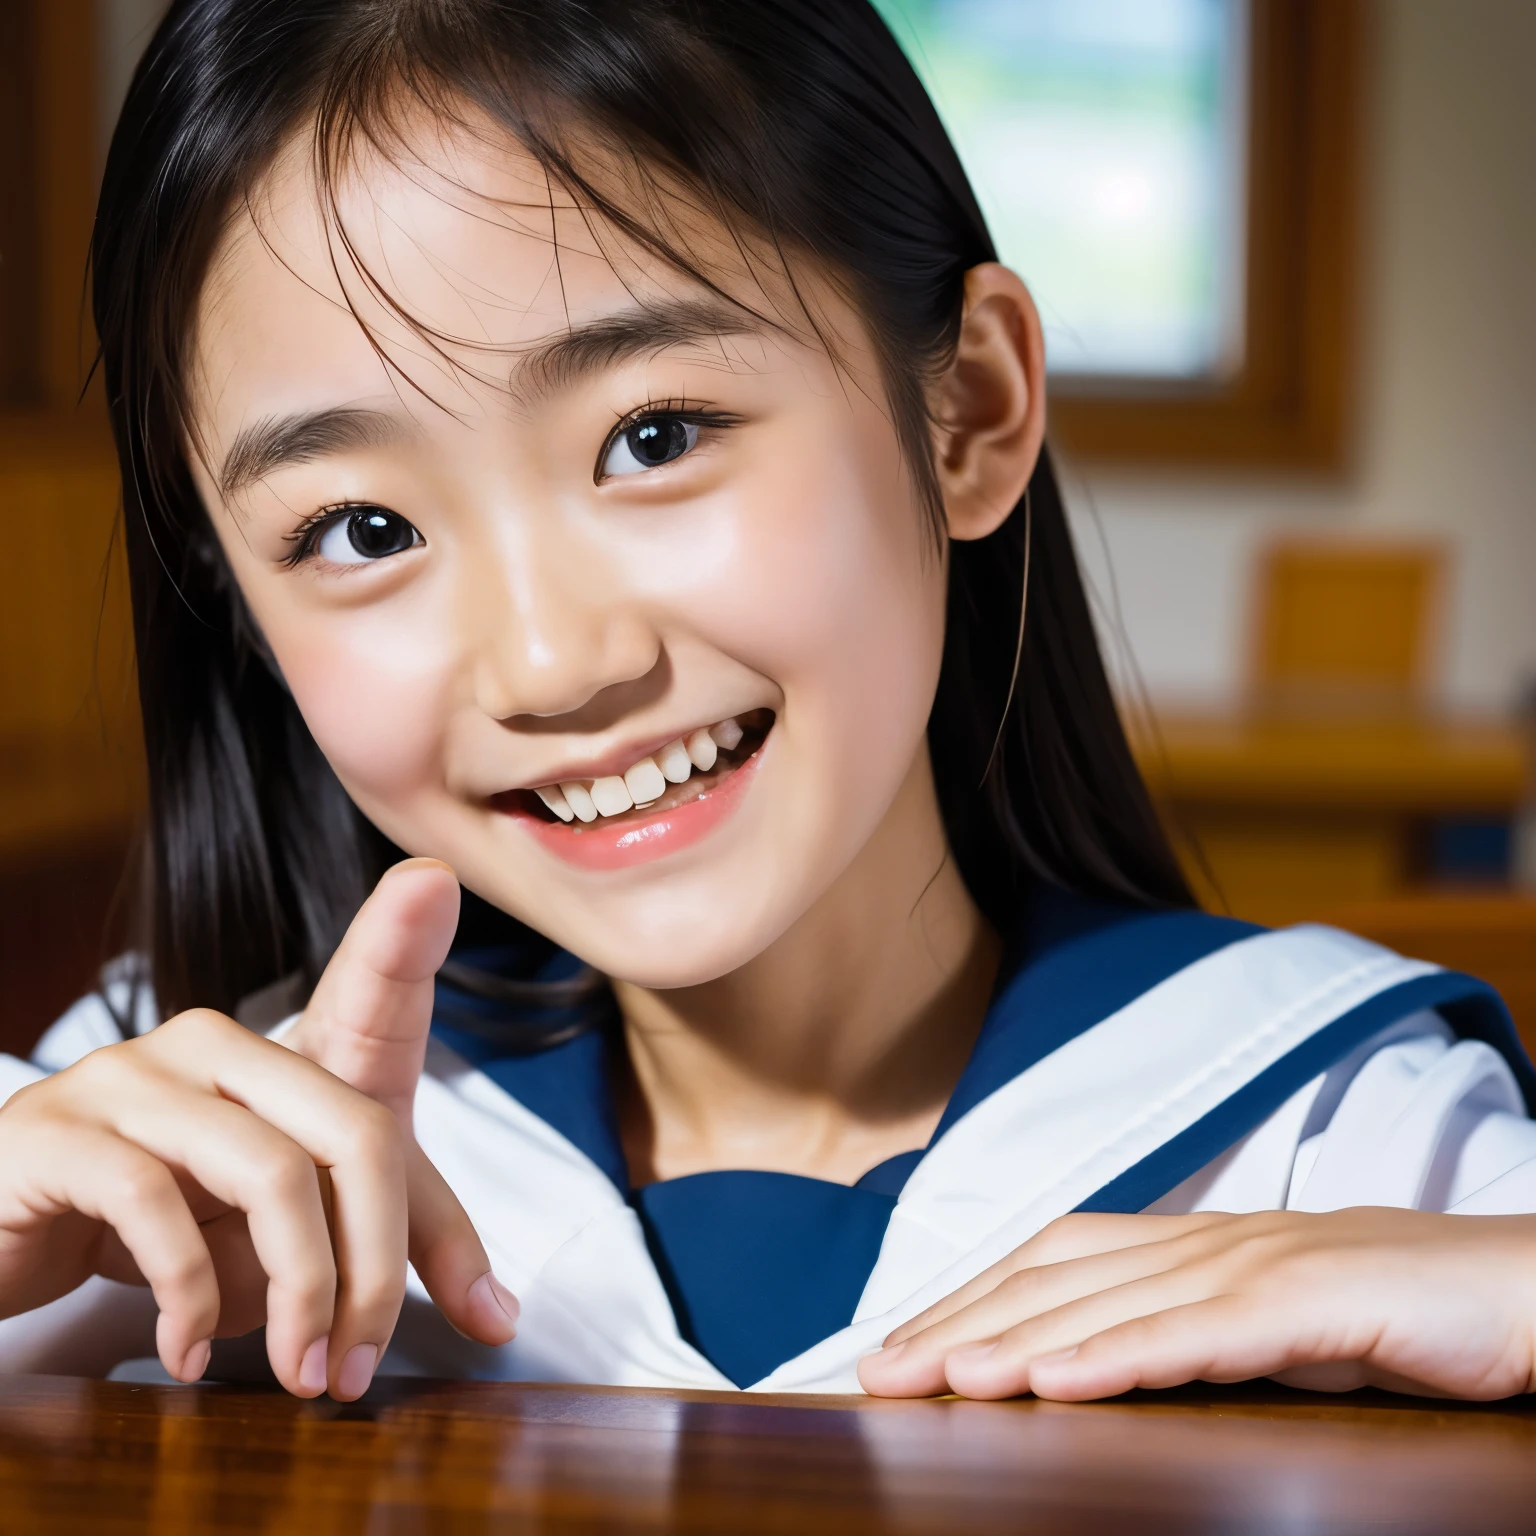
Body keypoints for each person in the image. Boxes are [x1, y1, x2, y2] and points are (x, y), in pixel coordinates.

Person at [3, 0, 1535, 1406]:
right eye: (364, 532)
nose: (554, 662)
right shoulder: (156, 1152)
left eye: (655, 434)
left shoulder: (1350, 1147)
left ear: (970, 408)